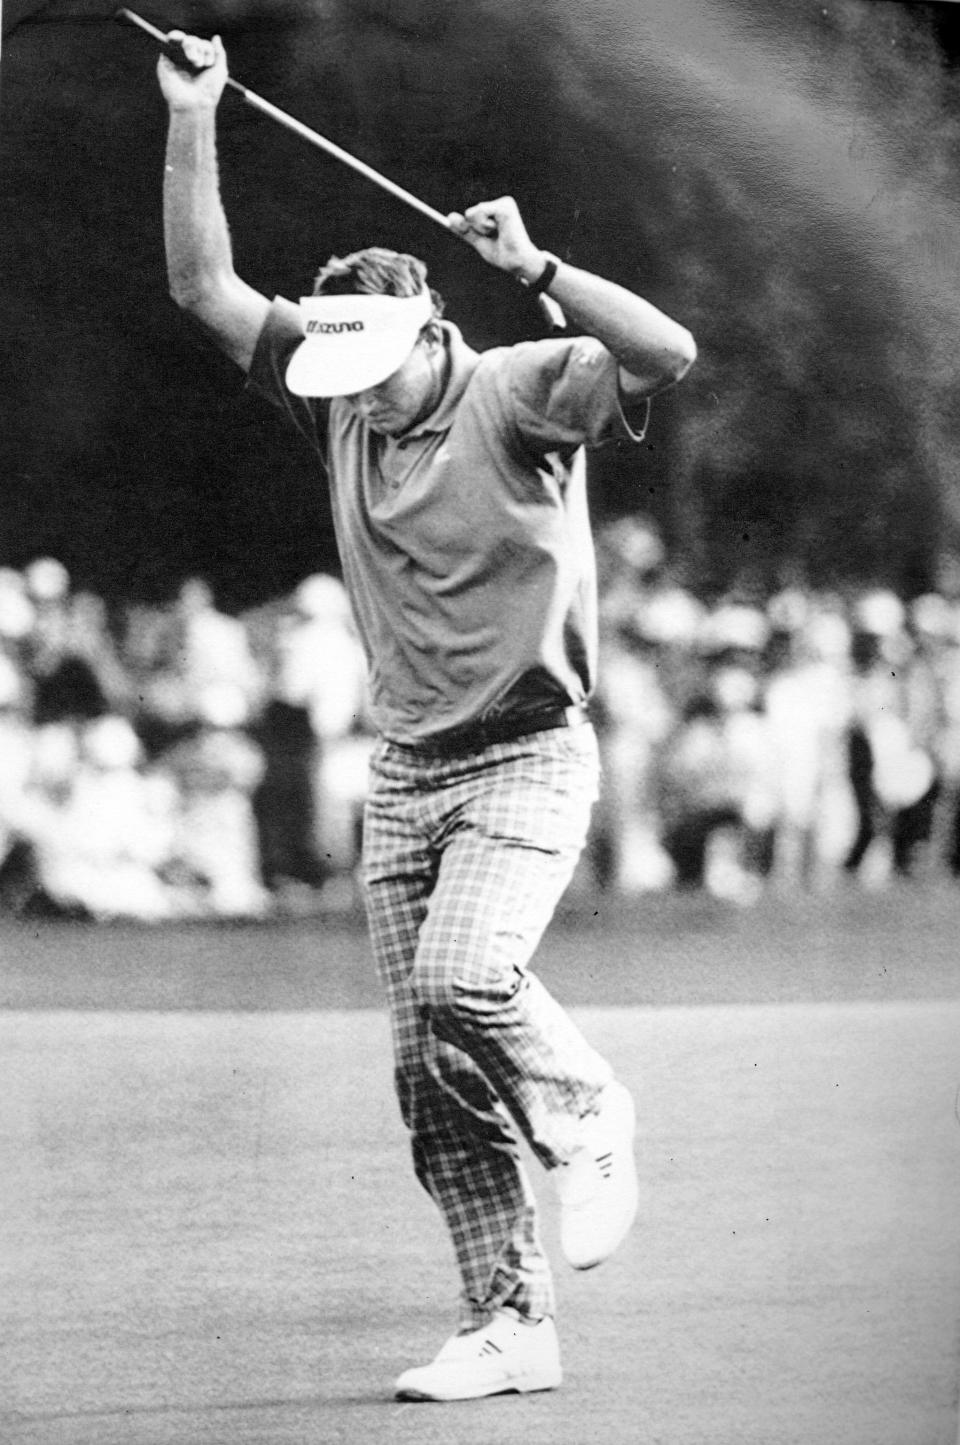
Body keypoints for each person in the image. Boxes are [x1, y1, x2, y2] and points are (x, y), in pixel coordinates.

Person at [157, 31, 696, 1402]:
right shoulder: (341, 397)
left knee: (468, 979)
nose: (352, 400)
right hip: (404, 773)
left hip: (528, 750)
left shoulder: (521, 388)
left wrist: (539, 268)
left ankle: (585, 1102)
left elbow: (668, 350)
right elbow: (203, 287)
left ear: (432, 333)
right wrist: (195, 114)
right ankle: (507, 1320)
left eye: (376, 374)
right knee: (425, 1069)